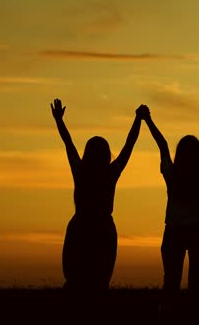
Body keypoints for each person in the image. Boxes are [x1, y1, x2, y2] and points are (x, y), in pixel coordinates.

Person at [50, 98, 145, 292]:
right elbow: (129, 146)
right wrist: (138, 120)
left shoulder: (81, 170)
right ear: (106, 154)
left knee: (76, 280)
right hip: (100, 229)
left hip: (82, 227)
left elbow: (68, 143)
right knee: (99, 282)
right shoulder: (110, 173)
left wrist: (59, 120)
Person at [140, 105, 199, 298]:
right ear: (197, 153)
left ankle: (168, 314)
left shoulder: (171, 172)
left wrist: (147, 119)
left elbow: (162, 144)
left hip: (174, 231)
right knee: (196, 281)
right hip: (197, 231)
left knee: (171, 281)